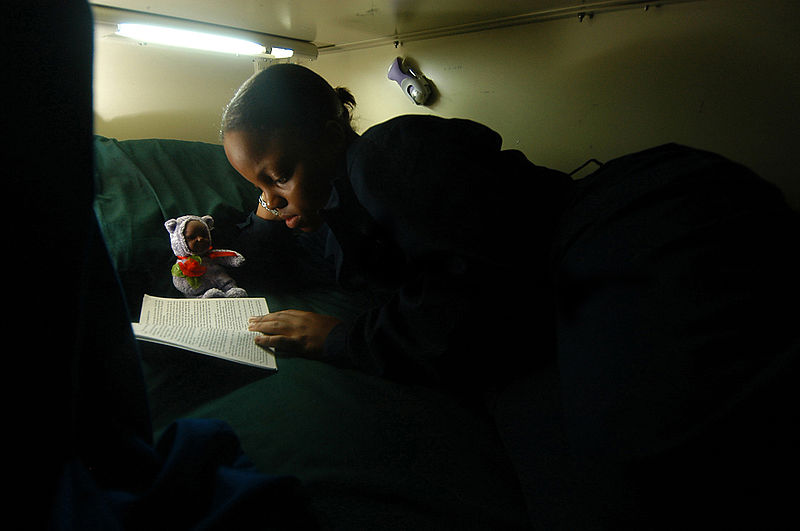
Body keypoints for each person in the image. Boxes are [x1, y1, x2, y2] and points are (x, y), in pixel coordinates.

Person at [221, 63, 572, 393]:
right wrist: (272, 195)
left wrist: (340, 340)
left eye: (281, 176)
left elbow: (465, 299)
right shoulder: (327, 211)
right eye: (257, 187)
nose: (271, 201)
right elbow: (261, 266)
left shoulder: (383, 155)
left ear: (330, 139)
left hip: (586, 238)